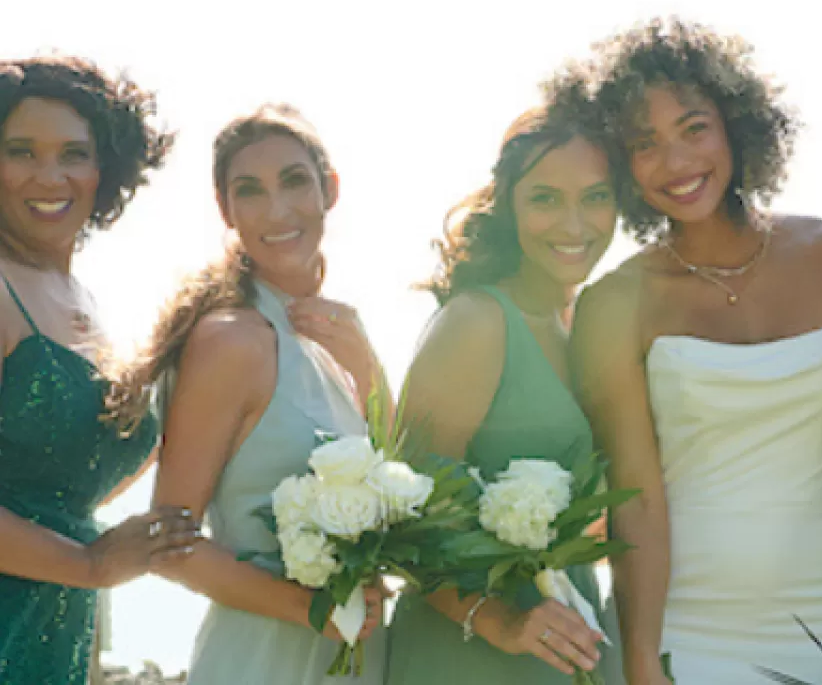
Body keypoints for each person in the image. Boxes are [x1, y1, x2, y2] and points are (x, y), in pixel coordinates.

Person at [567, 18, 822, 684]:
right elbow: (636, 503)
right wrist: (639, 663)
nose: (677, 162)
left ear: (736, 125)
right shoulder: (613, 303)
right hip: (685, 635)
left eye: (693, 128)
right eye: (644, 144)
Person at [110, 104, 387, 684]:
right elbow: (169, 540)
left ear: (328, 189)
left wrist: (370, 369)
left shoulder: (332, 344)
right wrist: (312, 609)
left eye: (294, 181)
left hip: (354, 658)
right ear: (226, 209)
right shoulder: (231, 339)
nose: (278, 210)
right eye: (250, 191)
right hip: (266, 657)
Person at [386, 95, 623, 684]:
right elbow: (402, 521)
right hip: (467, 654)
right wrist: (503, 624)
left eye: (596, 197)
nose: (574, 225)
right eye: (545, 199)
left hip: (571, 641)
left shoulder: (591, 325)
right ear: (507, 204)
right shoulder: (477, 322)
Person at [0, 55, 196, 684]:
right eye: (21, 150)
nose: (48, 175)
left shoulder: (86, 302)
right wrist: (89, 564)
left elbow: (62, 477)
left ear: (104, 168)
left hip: (54, 634)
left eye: (73, 153)